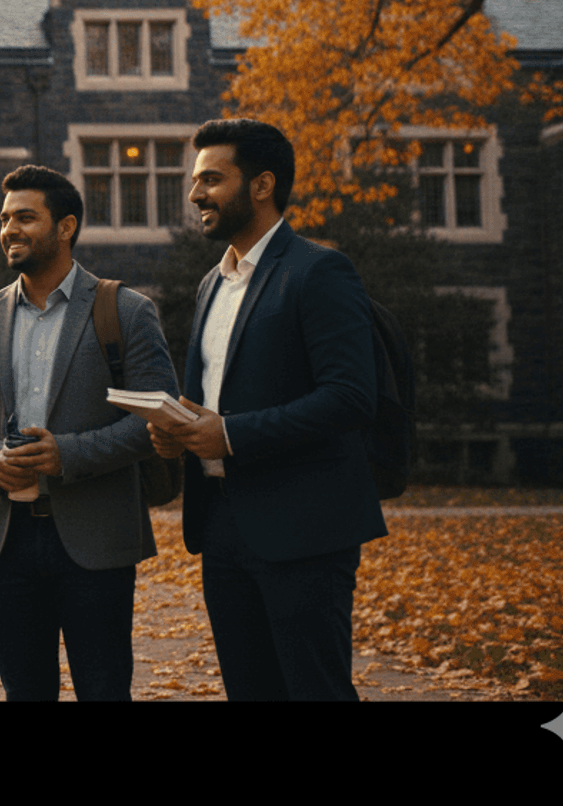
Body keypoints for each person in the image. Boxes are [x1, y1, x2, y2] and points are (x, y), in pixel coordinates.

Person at [149, 118, 387, 701]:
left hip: (304, 528)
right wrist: (179, 432)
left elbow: (351, 396)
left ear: (261, 185)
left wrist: (228, 434)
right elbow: (214, 401)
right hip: (222, 525)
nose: (195, 193)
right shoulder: (213, 284)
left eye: (211, 178)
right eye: (195, 179)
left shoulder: (319, 270)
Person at [0, 166, 177, 701]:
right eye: (4, 219)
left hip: (96, 542)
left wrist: (65, 454)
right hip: (7, 541)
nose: (9, 230)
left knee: (104, 688)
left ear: (66, 226)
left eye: (26, 217)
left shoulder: (127, 311)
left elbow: (156, 419)